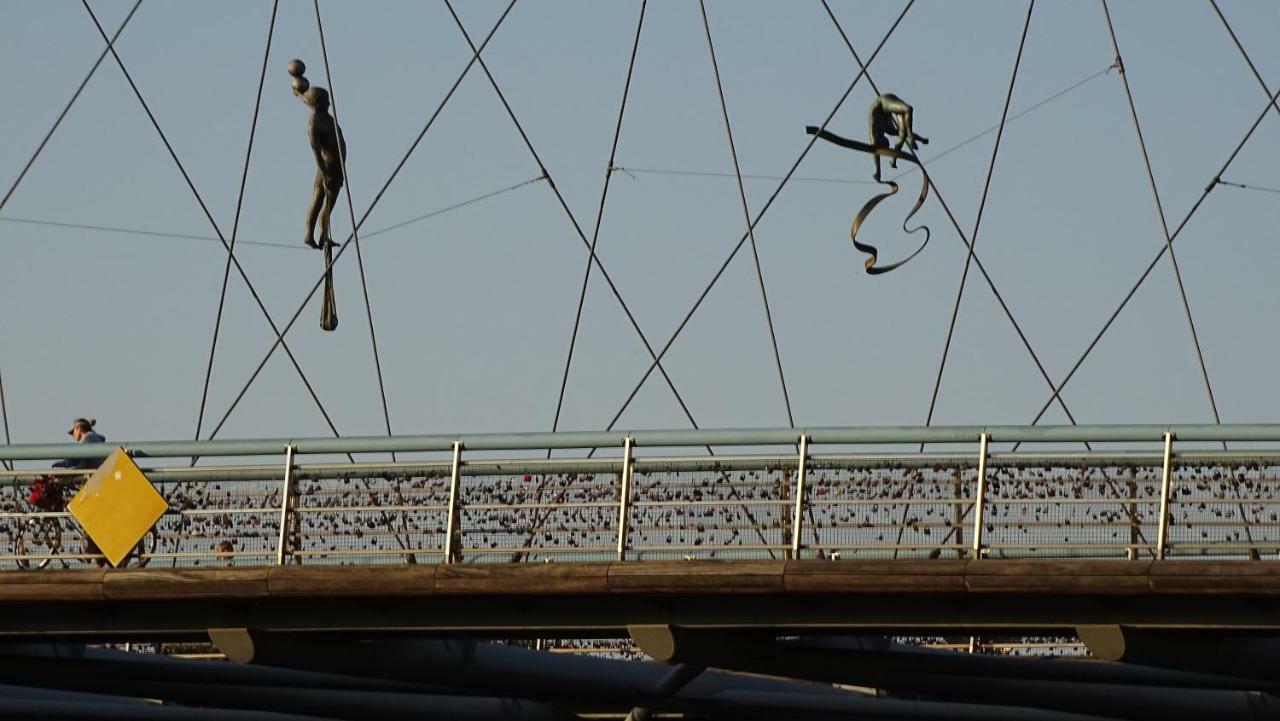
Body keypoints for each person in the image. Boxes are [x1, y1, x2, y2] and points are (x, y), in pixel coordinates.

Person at [294, 82, 347, 250]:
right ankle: (313, 235)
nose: (329, 104)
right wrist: (325, 175)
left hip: (336, 166)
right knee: (323, 203)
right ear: (317, 103)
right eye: (326, 101)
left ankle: (322, 236)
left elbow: (305, 98)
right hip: (329, 167)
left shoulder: (321, 112)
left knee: (322, 202)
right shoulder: (314, 124)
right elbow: (316, 153)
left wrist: (298, 89)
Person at [867, 93, 928, 181]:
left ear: (880, 140)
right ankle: (893, 160)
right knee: (902, 134)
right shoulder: (888, 129)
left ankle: (910, 138)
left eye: (884, 142)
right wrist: (921, 139)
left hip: (884, 102)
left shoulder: (873, 131)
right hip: (890, 106)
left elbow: (874, 151)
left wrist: (878, 170)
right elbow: (903, 133)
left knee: (908, 109)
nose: (886, 141)